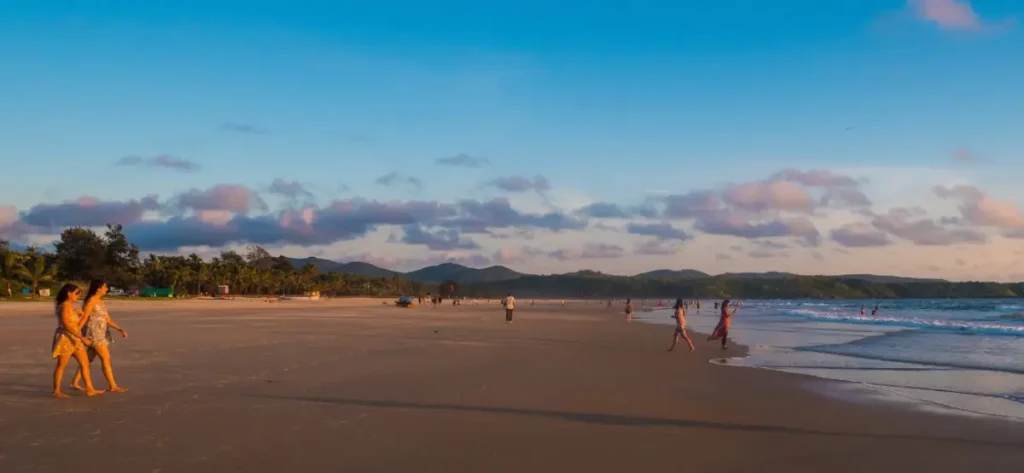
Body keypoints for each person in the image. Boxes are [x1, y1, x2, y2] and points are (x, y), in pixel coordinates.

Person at [71, 280, 128, 393]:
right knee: (106, 358)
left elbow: (108, 319)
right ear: (98, 288)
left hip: (102, 333)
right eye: (105, 287)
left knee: (87, 360)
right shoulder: (91, 300)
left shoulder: (100, 301)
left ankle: (75, 382)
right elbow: (84, 317)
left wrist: (119, 329)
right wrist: (76, 332)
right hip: (94, 334)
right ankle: (113, 386)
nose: (106, 289)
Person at [51, 283, 103, 398]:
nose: (78, 296)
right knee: (62, 365)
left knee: (85, 363)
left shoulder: (71, 307)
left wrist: (81, 314)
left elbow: (75, 324)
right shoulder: (65, 306)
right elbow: (66, 325)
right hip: (66, 338)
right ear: (69, 293)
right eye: (76, 293)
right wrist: (82, 338)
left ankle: (90, 389)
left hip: (75, 338)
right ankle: (56, 391)